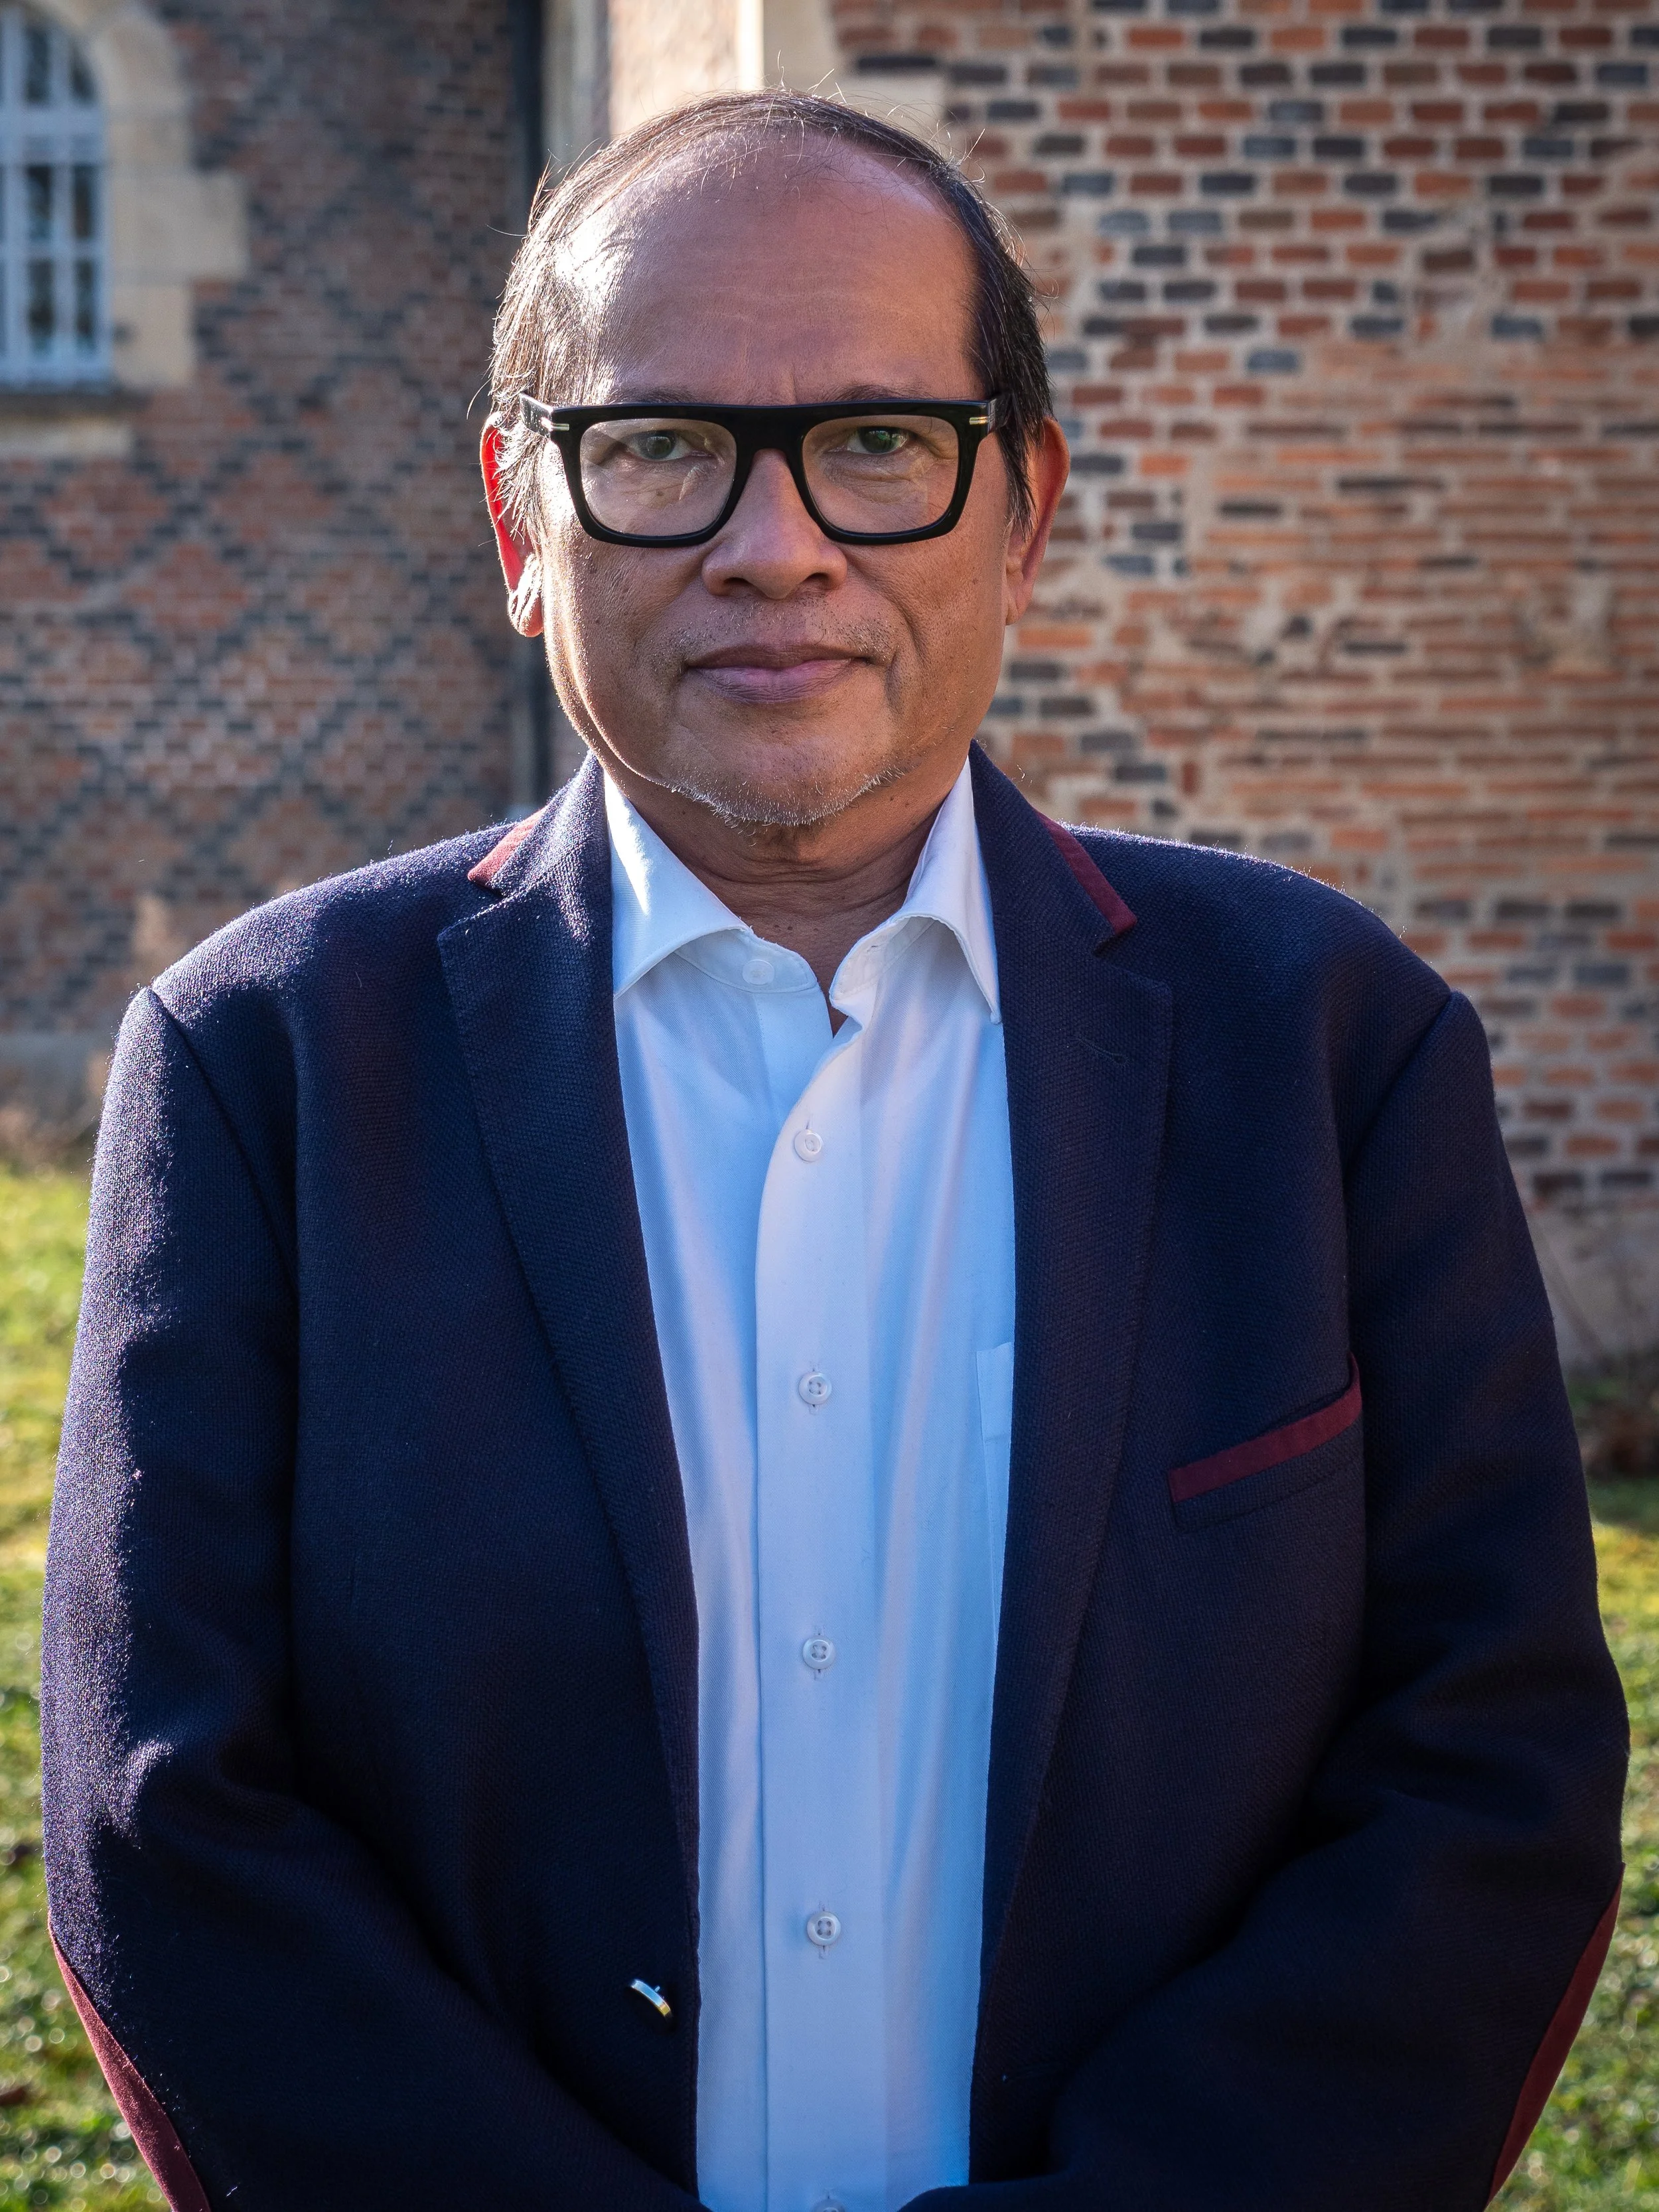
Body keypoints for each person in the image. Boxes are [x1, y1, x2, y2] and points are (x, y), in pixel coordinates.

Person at [42, 92, 1626, 2212]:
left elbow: (1486, 1779)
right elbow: (166, 1821)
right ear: (526, 527)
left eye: (879, 442)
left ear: (1021, 510)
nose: (774, 543)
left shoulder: (1326, 1046)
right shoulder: (267, 1069)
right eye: (661, 446)